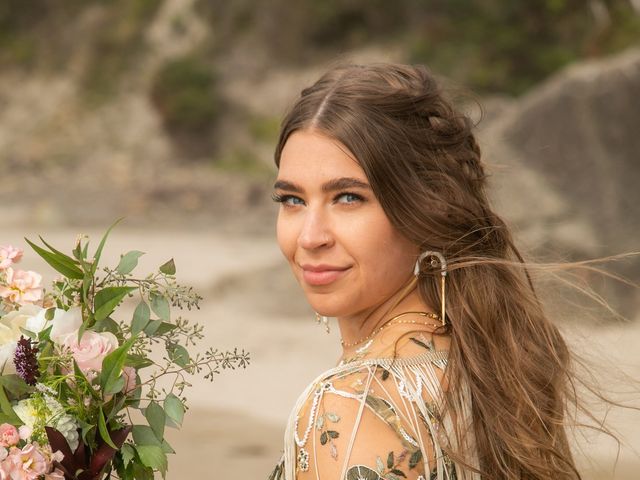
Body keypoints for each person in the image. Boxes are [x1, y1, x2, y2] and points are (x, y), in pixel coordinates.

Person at [266, 63, 633, 480]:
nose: (310, 237)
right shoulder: (491, 362)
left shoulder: (349, 405)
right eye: (292, 200)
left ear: (426, 206)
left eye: (349, 197)